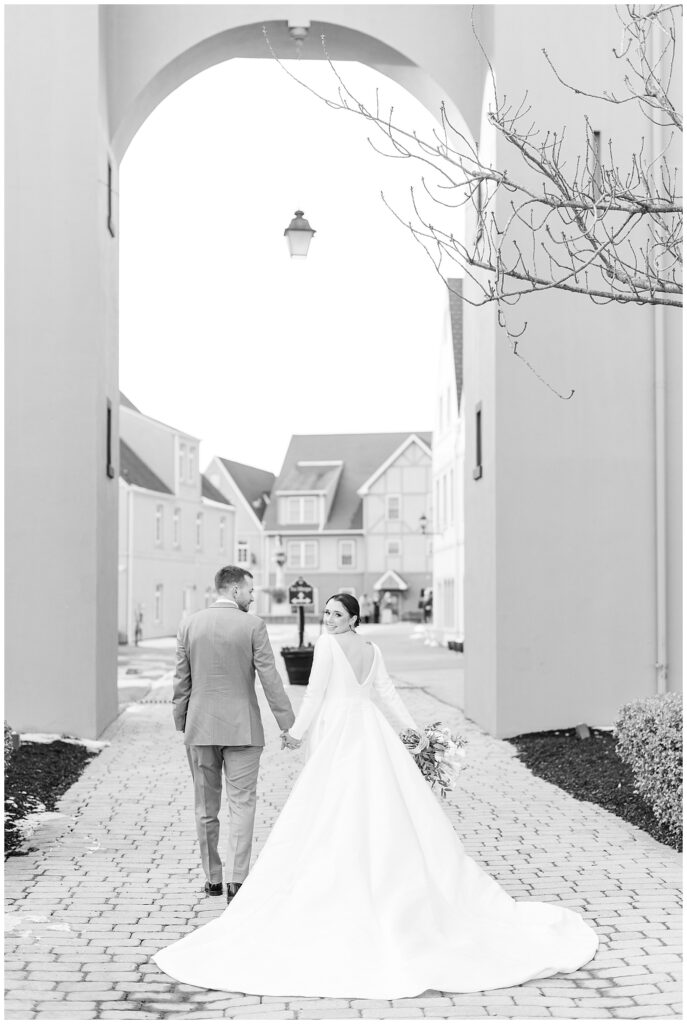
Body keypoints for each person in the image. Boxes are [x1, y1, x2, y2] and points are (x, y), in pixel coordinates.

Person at [155, 592, 598, 997]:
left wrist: (295, 732)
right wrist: (411, 733)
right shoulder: (372, 650)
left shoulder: (329, 647)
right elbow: (385, 695)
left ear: (352, 620)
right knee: (378, 805)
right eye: (325, 613)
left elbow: (316, 694)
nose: (328, 620)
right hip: (369, 732)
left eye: (336, 614)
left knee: (332, 808)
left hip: (336, 734)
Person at [171, 565, 295, 900]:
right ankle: (237, 881)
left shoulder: (189, 624)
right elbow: (270, 679)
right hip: (243, 730)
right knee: (242, 804)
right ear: (235, 590)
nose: (253, 597)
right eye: (251, 591)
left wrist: (182, 720)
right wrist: (288, 724)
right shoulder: (253, 626)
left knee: (205, 807)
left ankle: (212, 878)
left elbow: (182, 681)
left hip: (200, 729)